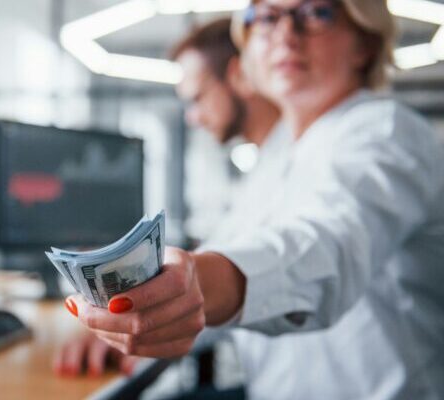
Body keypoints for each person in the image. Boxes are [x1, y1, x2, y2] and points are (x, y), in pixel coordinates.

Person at [64, 1, 444, 399]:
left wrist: (193, 283)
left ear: (365, 42)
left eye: (315, 12)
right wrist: (136, 317)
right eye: (267, 17)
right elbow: (222, 256)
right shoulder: (277, 158)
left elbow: (323, 248)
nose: (285, 33)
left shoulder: (386, 131)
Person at [53, 17, 283, 378]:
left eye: (196, 98)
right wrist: (140, 323)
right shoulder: (264, 170)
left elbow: (302, 256)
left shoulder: (346, 144)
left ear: (239, 75)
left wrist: (193, 285)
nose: (192, 117)